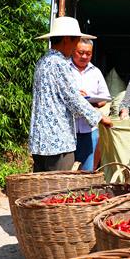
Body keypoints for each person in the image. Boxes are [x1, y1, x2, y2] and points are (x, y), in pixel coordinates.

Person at [29, 17, 112, 172]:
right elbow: (73, 100)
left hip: (40, 140)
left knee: (41, 189)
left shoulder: (43, 61)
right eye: (76, 42)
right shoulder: (60, 63)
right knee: (59, 190)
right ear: (67, 39)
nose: (75, 48)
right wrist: (100, 118)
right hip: (57, 140)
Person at [71, 38, 110, 171]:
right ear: (73, 51)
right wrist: (75, 96)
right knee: (66, 171)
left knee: (86, 170)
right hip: (68, 129)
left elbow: (105, 97)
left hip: (89, 129)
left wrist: (95, 102)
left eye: (88, 53)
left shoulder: (96, 72)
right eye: (81, 52)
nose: (84, 56)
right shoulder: (64, 69)